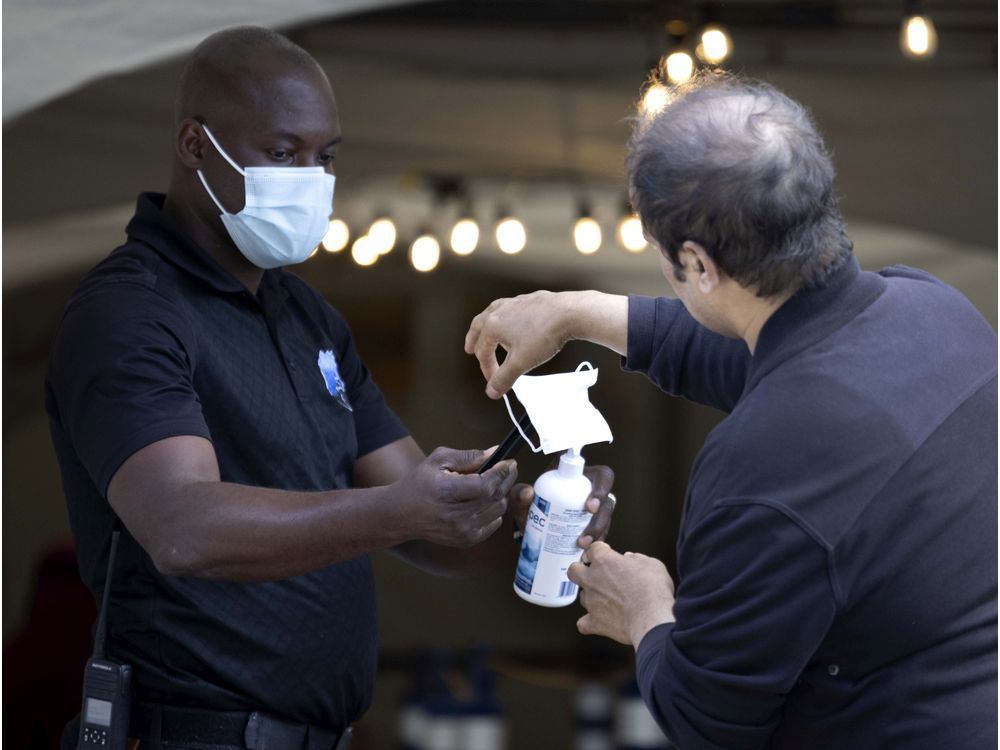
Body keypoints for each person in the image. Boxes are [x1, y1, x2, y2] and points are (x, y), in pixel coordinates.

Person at [45, 26, 615, 750]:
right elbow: (182, 528)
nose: (309, 178)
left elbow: (416, 510)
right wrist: (400, 509)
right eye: (282, 154)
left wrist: (530, 523)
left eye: (325, 157)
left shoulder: (307, 316)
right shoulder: (130, 310)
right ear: (195, 145)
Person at [465, 72, 997, 748]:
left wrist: (647, 614)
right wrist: (573, 313)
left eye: (661, 253)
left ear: (698, 262)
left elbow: (708, 720)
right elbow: (770, 358)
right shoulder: (933, 308)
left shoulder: (761, 463)